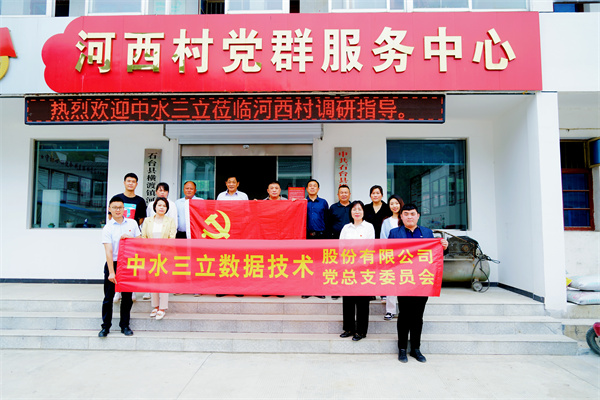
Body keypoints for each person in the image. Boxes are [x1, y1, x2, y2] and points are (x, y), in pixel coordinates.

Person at [389, 203, 448, 363]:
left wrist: (444, 247)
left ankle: (416, 348)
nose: (409, 217)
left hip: (423, 280)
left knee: (417, 316)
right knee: (404, 315)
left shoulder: (427, 233)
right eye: (406, 214)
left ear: (418, 216)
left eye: (412, 214)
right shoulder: (394, 233)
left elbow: (436, 254)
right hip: (404, 279)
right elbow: (388, 255)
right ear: (401, 216)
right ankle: (402, 348)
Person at [99, 196, 141, 338]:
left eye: (120, 207)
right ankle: (105, 327)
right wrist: (111, 272)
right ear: (109, 209)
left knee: (127, 297)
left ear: (124, 209)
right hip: (114, 263)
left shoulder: (132, 223)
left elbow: (140, 240)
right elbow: (108, 251)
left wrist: (130, 238)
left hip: (128, 264)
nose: (118, 210)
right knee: (108, 297)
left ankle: (125, 325)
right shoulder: (108, 228)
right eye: (115, 207)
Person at [338, 200, 375, 342]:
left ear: (363, 212)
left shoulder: (369, 227)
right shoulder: (346, 228)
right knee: (348, 300)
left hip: (363, 268)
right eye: (354, 209)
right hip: (348, 268)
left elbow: (370, 247)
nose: (357, 212)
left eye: (359, 209)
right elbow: (341, 247)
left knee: (362, 301)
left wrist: (359, 262)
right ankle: (348, 328)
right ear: (351, 212)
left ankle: (361, 331)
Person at [140, 197, 177, 320]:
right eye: (159, 205)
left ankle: (162, 308)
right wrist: (150, 251)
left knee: (163, 281)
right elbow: (144, 237)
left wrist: (161, 251)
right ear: (155, 207)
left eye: (164, 206)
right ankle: (155, 306)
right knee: (153, 281)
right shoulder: (148, 221)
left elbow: (172, 238)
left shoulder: (170, 221)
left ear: (167, 208)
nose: (162, 208)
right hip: (150, 255)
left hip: (165, 255)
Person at [113, 172, 146, 303]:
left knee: (133, 263)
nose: (131, 183)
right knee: (118, 262)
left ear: (136, 184)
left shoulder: (140, 201)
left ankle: (131, 290)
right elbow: (111, 216)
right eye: (128, 181)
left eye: (133, 181)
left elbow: (141, 219)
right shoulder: (117, 198)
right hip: (118, 235)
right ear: (124, 182)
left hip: (133, 235)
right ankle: (118, 290)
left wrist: (132, 229)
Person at [143, 182, 177, 300]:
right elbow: (145, 234)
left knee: (163, 274)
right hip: (151, 250)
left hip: (165, 249)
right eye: (160, 190)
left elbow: (173, 231)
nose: (162, 192)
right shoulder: (149, 215)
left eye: (165, 190)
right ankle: (149, 293)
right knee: (150, 271)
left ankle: (162, 304)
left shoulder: (172, 206)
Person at [215, 176, 246, 298]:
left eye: (234, 182)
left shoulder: (243, 196)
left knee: (238, 259)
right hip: (224, 231)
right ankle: (223, 287)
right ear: (226, 183)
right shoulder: (221, 196)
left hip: (239, 231)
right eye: (229, 182)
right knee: (224, 258)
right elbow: (217, 213)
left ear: (238, 183)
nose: (231, 184)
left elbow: (248, 212)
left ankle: (238, 288)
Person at [174, 181, 202, 296]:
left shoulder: (200, 201)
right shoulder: (177, 203)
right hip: (181, 234)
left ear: (195, 190)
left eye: (191, 188)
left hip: (196, 235)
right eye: (187, 188)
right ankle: (181, 286)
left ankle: (197, 287)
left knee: (196, 260)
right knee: (181, 260)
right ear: (183, 190)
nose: (189, 190)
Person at [302, 179, 328, 300]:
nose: (312, 188)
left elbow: (327, 220)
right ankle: (307, 290)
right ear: (307, 189)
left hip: (320, 236)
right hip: (307, 237)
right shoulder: (302, 202)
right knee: (307, 263)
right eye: (310, 186)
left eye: (314, 186)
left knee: (319, 264)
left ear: (318, 189)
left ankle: (319, 289)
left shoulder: (323, 203)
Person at [380, 195, 405, 321]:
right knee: (391, 283)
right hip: (391, 256)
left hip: (406, 257)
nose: (394, 206)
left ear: (401, 204)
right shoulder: (386, 221)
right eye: (391, 204)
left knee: (405, 282)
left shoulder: (406, 219)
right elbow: (383, 240)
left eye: (396, 203)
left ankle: (404, 310)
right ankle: (390, 310)